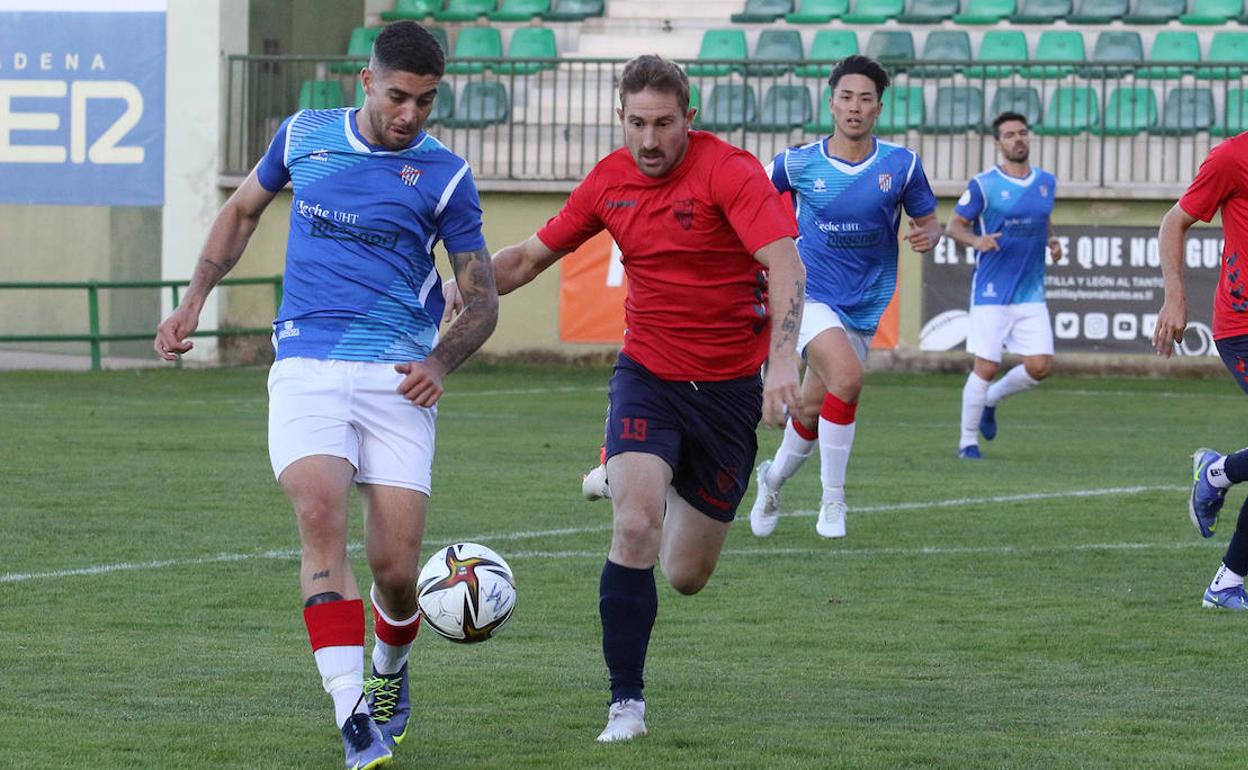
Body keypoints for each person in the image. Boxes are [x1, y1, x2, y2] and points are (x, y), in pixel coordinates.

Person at [154, 22, 498, 769]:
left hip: (399, 379)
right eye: (399, 96)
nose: (410, 114)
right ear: (366, 82)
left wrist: (440, 363)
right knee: (319, 515)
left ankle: (390, 672)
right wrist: (192, 301)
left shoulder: (445, 176)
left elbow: (483, 300)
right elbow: (242, 210)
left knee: (397, 570)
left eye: (427, 101)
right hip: (306, 363)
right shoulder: (303, 136)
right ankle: (351, 717)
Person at [450, 54, 804, 742]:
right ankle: (626, 706)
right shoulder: (609, 182)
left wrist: (784, 356)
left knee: (686, 576)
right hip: (649, 375)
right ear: (620, 117)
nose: (649, 140)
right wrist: (456, 286)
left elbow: (786, 261)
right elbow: (525, 259)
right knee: (635, 526)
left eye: (664, 124)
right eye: (637, 123)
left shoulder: (729, 172)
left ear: (689, 119)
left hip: (730, 392)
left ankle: (626, 473)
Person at [747, 55, 941, 540]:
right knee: (849, 379)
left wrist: (929, 235)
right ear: (831, 102)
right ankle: (833, 501)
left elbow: (928, 220)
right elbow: (746, 201)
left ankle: (770, 481)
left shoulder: (902, 165)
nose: (855, 107)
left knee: (813, 411)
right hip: (807, 296)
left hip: (864, 303)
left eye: (866, 99)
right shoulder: (796, 162)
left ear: (878, 109)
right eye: (847, 97)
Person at [1152, 130, 1248, 610]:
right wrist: (1175, 295)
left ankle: (1217, 474)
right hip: (1243, 325)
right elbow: (1174, 222)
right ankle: (1225, 584)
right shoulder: (1233, 156)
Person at [944, 111, 1063, 460]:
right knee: (986, 366)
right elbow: (955, 226)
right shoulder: (984, 184)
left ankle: (992, 399)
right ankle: (967, 443)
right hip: (991, 293)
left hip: (1030, 292)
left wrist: (1051, 241)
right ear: (998, 143)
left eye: (1022, 133)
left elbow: (1043, 219)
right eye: (1010, 135)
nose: (1018, 139)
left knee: (1040, 366)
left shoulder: (1046, 182)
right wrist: (977, 241)